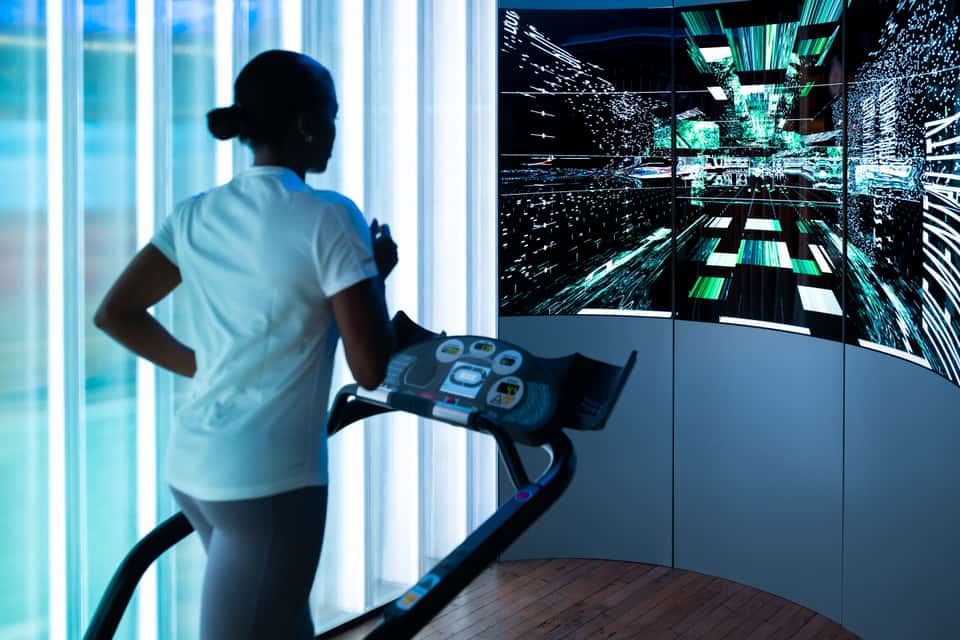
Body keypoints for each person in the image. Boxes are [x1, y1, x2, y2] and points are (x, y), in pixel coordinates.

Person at [93, 50, 397, 640]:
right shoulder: (331, 218)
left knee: (280, 622)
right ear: (308, 125)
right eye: (330, 116)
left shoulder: (196, 214)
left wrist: (206, 367)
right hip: (270, 486)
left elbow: (117, 314)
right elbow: (370, 367)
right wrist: (375, 279)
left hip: (194, 467)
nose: (334, 131)